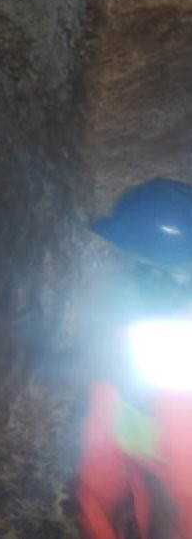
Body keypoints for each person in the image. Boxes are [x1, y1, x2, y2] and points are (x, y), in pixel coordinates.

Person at [79, 178, 192, 538]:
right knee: (102, 480)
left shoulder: (167, 314)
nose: (122, 261)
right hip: (135, 410)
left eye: (131, 254)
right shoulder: (141, 298)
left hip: (169, 426)